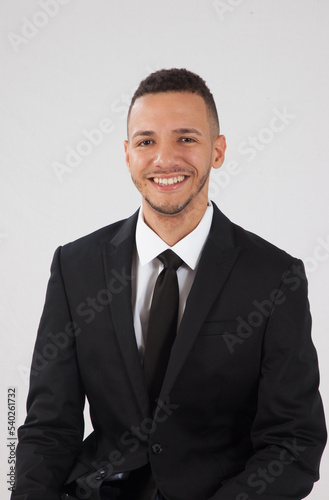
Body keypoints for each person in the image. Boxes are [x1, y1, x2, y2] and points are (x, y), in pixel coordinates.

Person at [12, 68, 326, 500]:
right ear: (127, 155)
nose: (164, 159)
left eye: (186, 138)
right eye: (146, 141)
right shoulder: (75, 266)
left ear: (217, 151)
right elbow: (48, 427)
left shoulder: (275, 276)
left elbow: (294, 443)